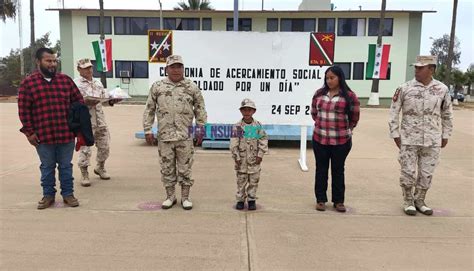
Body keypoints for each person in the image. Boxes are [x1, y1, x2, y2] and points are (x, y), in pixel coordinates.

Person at [18, 47, 84, 209]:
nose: (52, 64)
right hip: (43, 136)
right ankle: (48, 196)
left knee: (66, 166)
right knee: (47, 167)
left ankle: (68, 194)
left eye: (54, 60)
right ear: (38, 62)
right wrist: (29, 133)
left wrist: (77, 127)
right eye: (48, 61)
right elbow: (23, 110)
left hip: (66, 135)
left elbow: (79, 103)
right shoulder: (29, 84)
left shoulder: (65, 81)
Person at [389, 55, 453, 216]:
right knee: (408, 172)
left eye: (420, 67)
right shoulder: (404, 88)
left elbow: (447, 114)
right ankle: (408, 200)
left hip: (432, 139)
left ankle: (420, 200)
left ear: (431, 69)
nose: (416, 70)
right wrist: (395, 134)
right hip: (409, 138)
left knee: (426, 173)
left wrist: (445, 135)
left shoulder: (442, 89)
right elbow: (394, 112)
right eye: (416, 67)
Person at [143, 55, 207, 210]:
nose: (176, 70)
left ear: (183, 68)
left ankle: (185, 197)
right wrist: (147, 129)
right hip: (165, 136)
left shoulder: (191, 87)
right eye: (173, 67)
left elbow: (200, 108)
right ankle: (170, 196)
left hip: (185, 136)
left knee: (185, 168)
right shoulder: (158, 87)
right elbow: (149, 109)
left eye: (179, 67)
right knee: (167, 167)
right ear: (167, 69)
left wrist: (200, 128)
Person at [311, 66, 360, 212]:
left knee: (338, 170)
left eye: (332, 78)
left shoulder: (350, 96)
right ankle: (320, 200)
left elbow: (354, 117)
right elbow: (314, 113)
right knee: (321, 170)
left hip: (341, 141)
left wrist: (347, 129)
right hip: (320, 139)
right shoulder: (319, 94)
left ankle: (338, 201)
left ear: (340, 78)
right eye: (327, 78)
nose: (329, 80)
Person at [74, 58, 121, 187]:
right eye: (85, 68)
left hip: (100, 121)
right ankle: (84, 173)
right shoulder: (75, 84)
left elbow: (104, 100)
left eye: (90, 67)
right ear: (79, 70)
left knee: (105, 146)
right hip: (86, 121)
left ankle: (100, 167)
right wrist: (84, 102)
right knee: (85, 149)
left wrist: (112, 101)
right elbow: (72, 103)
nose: (89, 70)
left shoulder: (98, 83)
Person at [230, 99, 268, 211]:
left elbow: (263, 139)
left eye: (249, 110)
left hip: (254, 159)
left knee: (254, 180)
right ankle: (240, 200)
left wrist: (260, 154)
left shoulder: (257, 126)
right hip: (241, 160)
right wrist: (236, 157)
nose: (247, 112)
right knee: (241, 181)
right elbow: (234, 142)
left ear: (253, 111)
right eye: (244, 110)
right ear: (241, 111)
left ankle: (252, 199)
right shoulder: (237, 126)